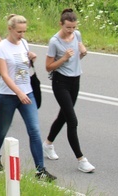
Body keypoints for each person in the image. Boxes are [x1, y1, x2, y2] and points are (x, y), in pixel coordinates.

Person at [0, 14, 56, 182]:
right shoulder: (1, 48)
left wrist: (31, 59)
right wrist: (18, 92)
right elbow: (4, 75)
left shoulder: (24, 43)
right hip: (8, 95)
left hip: (27, 93)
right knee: (3, 130)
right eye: (19, 31)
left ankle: (40, 170)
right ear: (10, 29)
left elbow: (23, 68)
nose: (21, 34)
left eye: (24, 31)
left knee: (34, 130)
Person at [43, 9, 95, 173]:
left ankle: (48, 143)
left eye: (73, 27)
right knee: (72, 120)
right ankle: (81, 159)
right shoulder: (54, 42)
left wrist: (83, 54)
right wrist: (63, 58)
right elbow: (48, 67)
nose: (71, 30)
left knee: (63, 116)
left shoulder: (77, 35)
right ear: (61, 24)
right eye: (68, 28)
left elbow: (75, 59)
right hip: (61, 82)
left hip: (75, 80)